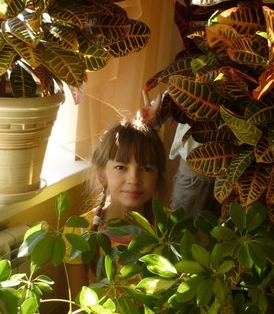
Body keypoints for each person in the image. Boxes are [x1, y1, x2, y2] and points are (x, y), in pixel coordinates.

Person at [64, 118, 166, 299]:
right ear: (102, 175)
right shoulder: (78, 232)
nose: (133, 179)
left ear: (158, 177)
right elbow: (80, 305)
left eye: (146, 168)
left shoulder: (170, 230)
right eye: (121, 167)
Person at [139, 89, 217, 218]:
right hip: (196, 163)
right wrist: (156, 116)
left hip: (241, 166)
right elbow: (182, 89)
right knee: (181, 223)